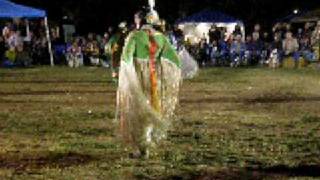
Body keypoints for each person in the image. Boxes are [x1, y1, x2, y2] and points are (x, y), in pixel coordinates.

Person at [116, 10, 182, 158]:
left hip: (138, 78)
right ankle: (146, 143)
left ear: (141, 21)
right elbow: (175, 60)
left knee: (138, 111)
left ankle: (142, 148)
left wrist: (125, 76)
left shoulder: (134, 36)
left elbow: (126, 58)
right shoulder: (161, 38)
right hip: (154, 79)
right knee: (152, 106)